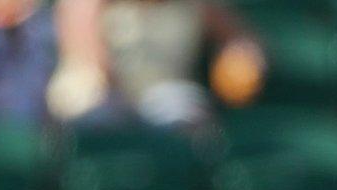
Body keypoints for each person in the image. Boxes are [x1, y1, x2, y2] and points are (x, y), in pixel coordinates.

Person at [46, 0, 264, 132]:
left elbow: (241, 39)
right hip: (101, 91)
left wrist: (240, 58)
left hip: (167, 93)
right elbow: (87, 56)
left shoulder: (196, 4)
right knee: (93, 116)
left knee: (185, 115)